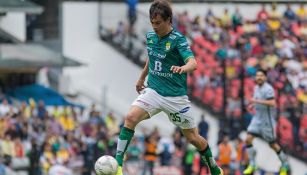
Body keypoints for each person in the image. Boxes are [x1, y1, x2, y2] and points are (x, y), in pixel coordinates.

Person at [115, 1, 223, 175]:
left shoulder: (178, 40)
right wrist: (141, 77)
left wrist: (182, 68)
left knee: (193, 138)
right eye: (152, 22)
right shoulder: (151, 37)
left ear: (169, 20)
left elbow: (193, 63)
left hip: (175, 98)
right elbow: (151, 57)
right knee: (130, 117)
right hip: (154, 91)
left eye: (158, 23)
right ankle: (118, 164)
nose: (155, 26)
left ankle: (213, 165)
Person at [243, 69, 289, 175]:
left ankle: (284, 164)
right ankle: (253, 163)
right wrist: (252, 105)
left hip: (266, 122)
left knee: (273, 145)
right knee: (248, 139)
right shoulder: (256, 88)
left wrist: (255, 101)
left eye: (261, 76)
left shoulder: (268, 89)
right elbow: (257, 100)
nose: (259, 77)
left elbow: (272, 103)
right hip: (257, 119)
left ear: (265, 77)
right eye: (257, 75)